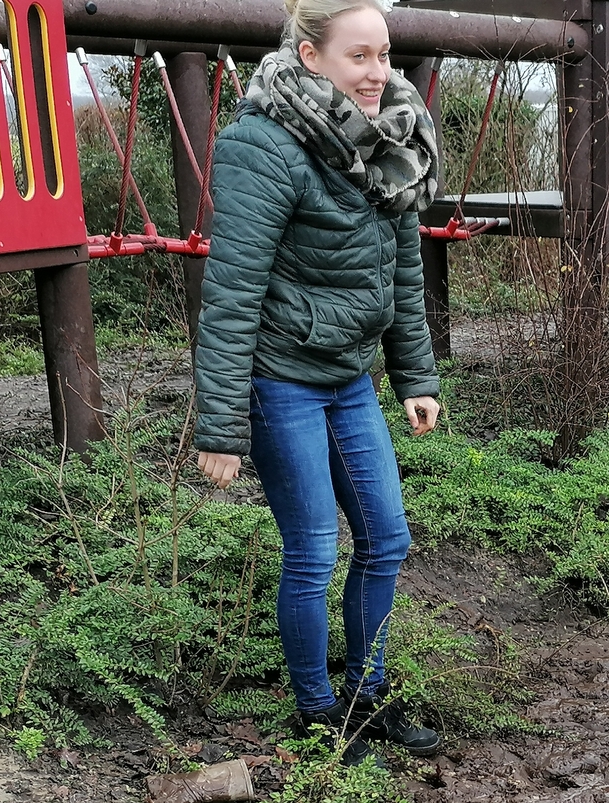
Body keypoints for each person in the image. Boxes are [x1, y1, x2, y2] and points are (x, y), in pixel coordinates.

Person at [193, 0, 443, 759]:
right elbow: (232, 293)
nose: (378, 74)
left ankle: (369, 696)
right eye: (358, 57)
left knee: (386, 538)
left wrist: (414, 376)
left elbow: (402, 274)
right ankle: (316, 711)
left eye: (384, 56)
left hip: (349, 376)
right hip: (281, 379)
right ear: (310, 58)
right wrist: (221, 427)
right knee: (311, 550)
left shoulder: (391, 140)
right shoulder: (260, 146)